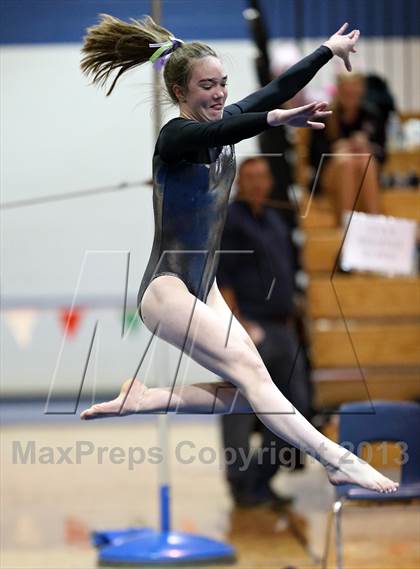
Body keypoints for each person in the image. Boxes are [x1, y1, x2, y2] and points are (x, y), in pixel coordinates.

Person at [79, 14, 398, 495]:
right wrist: (273, 119)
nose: (219, 94)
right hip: (166, 290)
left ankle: (146, 398)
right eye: (207, 86)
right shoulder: (174, 137)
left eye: (223, 84)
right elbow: (220, 134)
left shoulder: (224, 121)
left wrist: (327, 51)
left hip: (200, 288)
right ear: (181, 93)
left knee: (246, 393)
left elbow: (274, 90)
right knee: (254, 377)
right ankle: (336, 459)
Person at [217, 157, 311, 508]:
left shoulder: (276, 220)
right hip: (249, 327)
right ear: (241, 182)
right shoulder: (230, 221)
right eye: (250, 178)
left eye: (262, 177)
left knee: (297, 407)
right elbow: (222, 277)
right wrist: (236, 326)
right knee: (240, 409)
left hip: (284, 329)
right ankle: (241, 483)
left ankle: (261, 478)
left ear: (270, 182)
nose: (257, 184)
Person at [308, 72, 387, 225]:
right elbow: (314, 158)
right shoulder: (324, 116)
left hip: (364, 171)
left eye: (354, 93)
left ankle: (374, 222)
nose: (350, 96)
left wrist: (367, 145)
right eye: (346, 93)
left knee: (365, 160)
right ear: (339, 91)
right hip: (330, 174)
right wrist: (335, 149)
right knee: (346, 162)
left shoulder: (372, 115)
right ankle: (347, 226)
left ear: (361, 91)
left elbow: (383, 155)